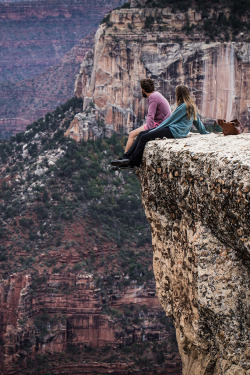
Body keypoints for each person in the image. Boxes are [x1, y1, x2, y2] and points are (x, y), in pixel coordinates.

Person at [111, 85, 210, 168]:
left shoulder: (183, 106)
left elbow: (170, 120)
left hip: (173, 131)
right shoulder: (190, 106)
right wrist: (205, 132)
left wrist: (155, 129)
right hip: (176, 131)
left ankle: (133, 162)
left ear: (178, 94)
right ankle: (125, 158)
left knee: (144, 136)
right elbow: (198, 123)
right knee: (141, 134)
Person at [124, 78, 171, 153]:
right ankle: (127, 157)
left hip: (159, 124)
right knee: (135, 134)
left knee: (132, 134)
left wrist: (149, 130)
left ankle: (125, 157)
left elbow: (150, 115)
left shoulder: (153, 97)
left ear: (143, 90)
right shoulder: (157, 94)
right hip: (162, 123)